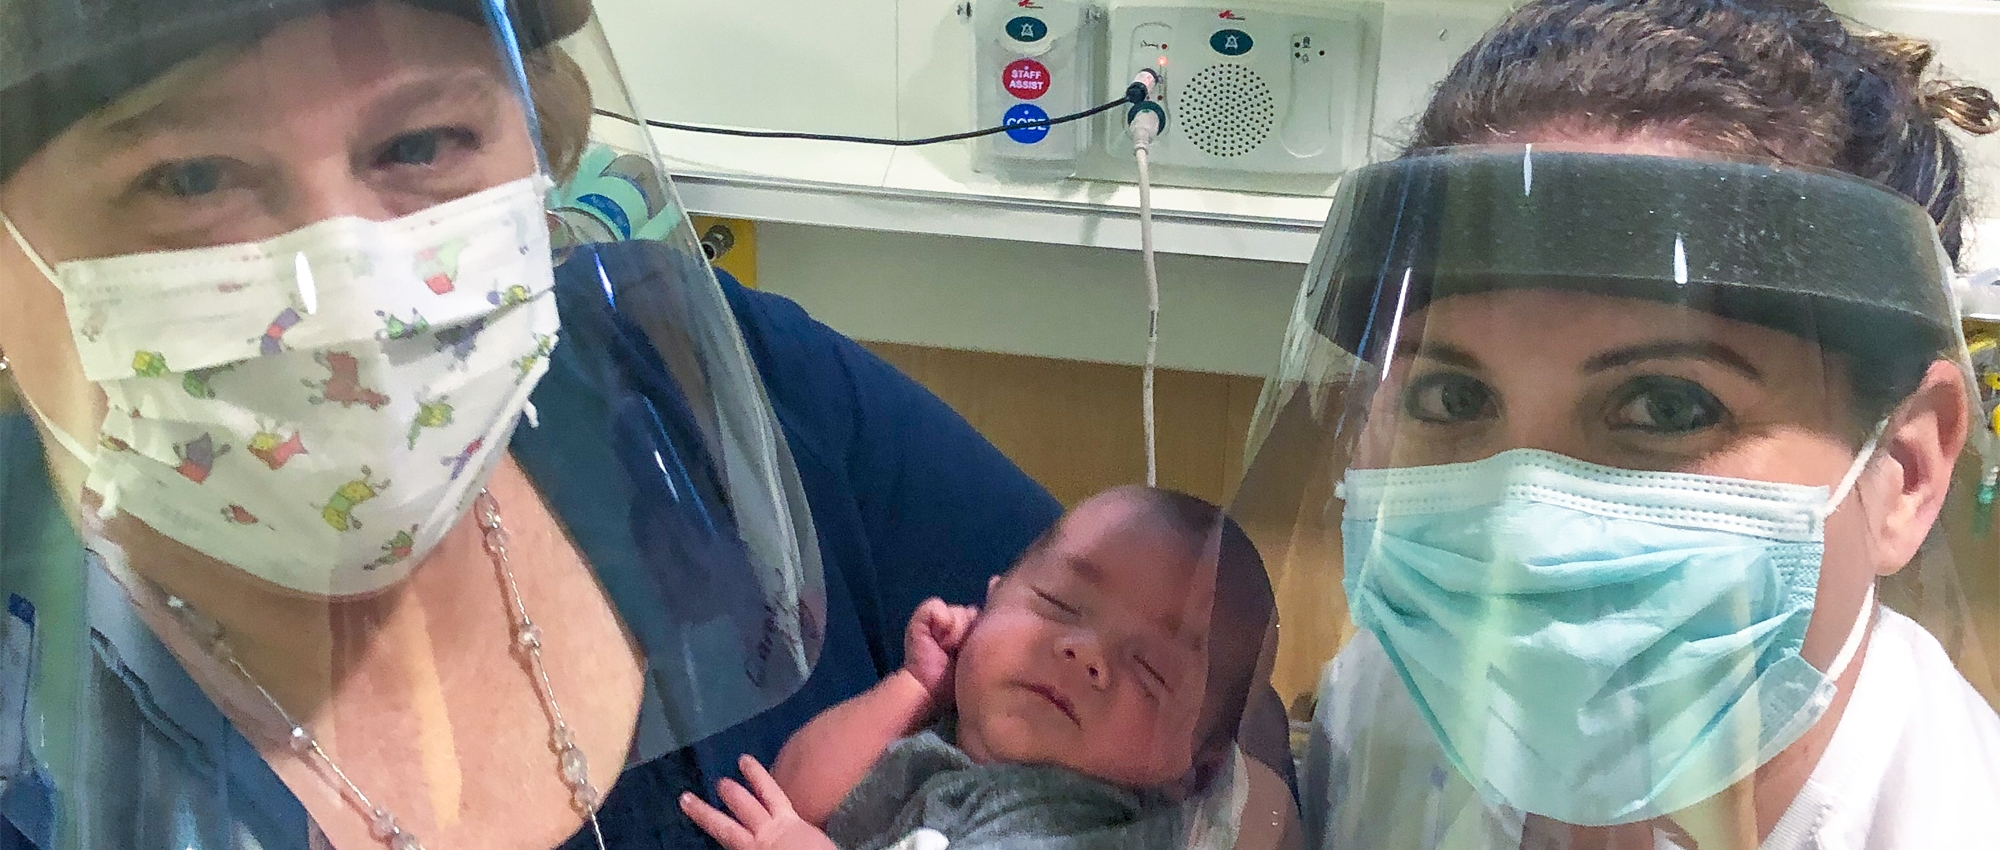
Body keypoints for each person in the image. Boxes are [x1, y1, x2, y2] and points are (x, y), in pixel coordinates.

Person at [0, 1, 1068, 847]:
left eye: (420, 142)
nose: (351, 297)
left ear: (534, 144)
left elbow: (1185, 715)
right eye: (190, 178)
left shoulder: (714, 389)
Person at [1221, 1, 2000, 848]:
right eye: (1451, 398)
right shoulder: (1388, 708)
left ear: (1907, 472)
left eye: (1668, 406)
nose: (1518, 538)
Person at [677, 486, 1277, 850]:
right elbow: (794, 795)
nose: (1086, 654)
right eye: (1058, 605)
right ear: (987, 603)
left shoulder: (1084, 825)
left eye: (1151, 670)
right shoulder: (949, 741)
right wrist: (916, 688)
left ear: (1196, 773)